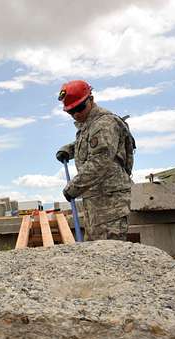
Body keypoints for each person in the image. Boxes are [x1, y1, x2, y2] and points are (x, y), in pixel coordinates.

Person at [56, 80, 135, 241]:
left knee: (110, 256)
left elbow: (100, 160)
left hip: (110, 203)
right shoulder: (89, 124)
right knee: (95, 254)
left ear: (90, 99)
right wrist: (69, 150)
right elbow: (90, 143)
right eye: (71, 112)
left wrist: (74, 187)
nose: (76, 114)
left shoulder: (104, 123)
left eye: (79, 108)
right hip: (96, 200)